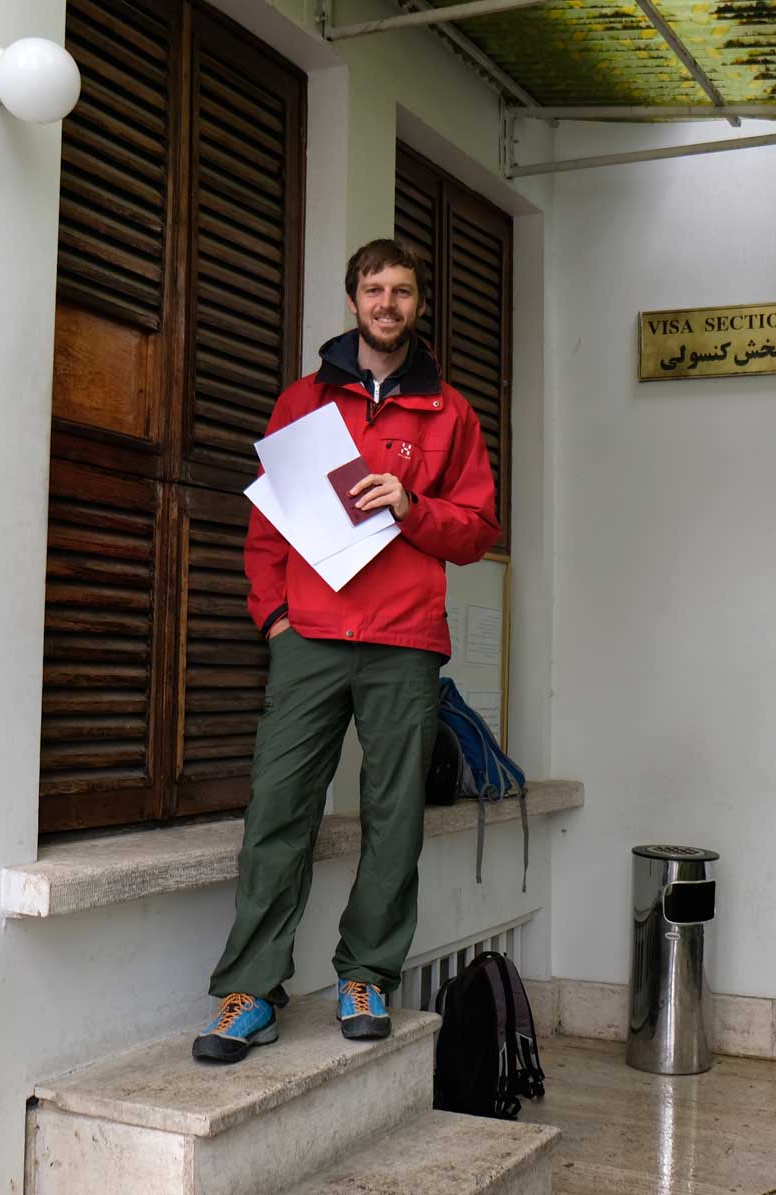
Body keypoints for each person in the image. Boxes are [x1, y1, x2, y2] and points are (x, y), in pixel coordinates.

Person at [192, 239, 499, 1063]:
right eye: (374, 288)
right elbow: (267, 524)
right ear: (353, 299)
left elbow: (478, 531)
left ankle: (367, 972)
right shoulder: (302, 402)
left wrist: (413, 504)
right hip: (312, 639)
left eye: (402, 290)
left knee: (394, 819)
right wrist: (273, 617)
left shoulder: (452, 413)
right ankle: (250, 991)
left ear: (419, 304)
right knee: (278, 808)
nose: (387, 302)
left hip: (403, 642)